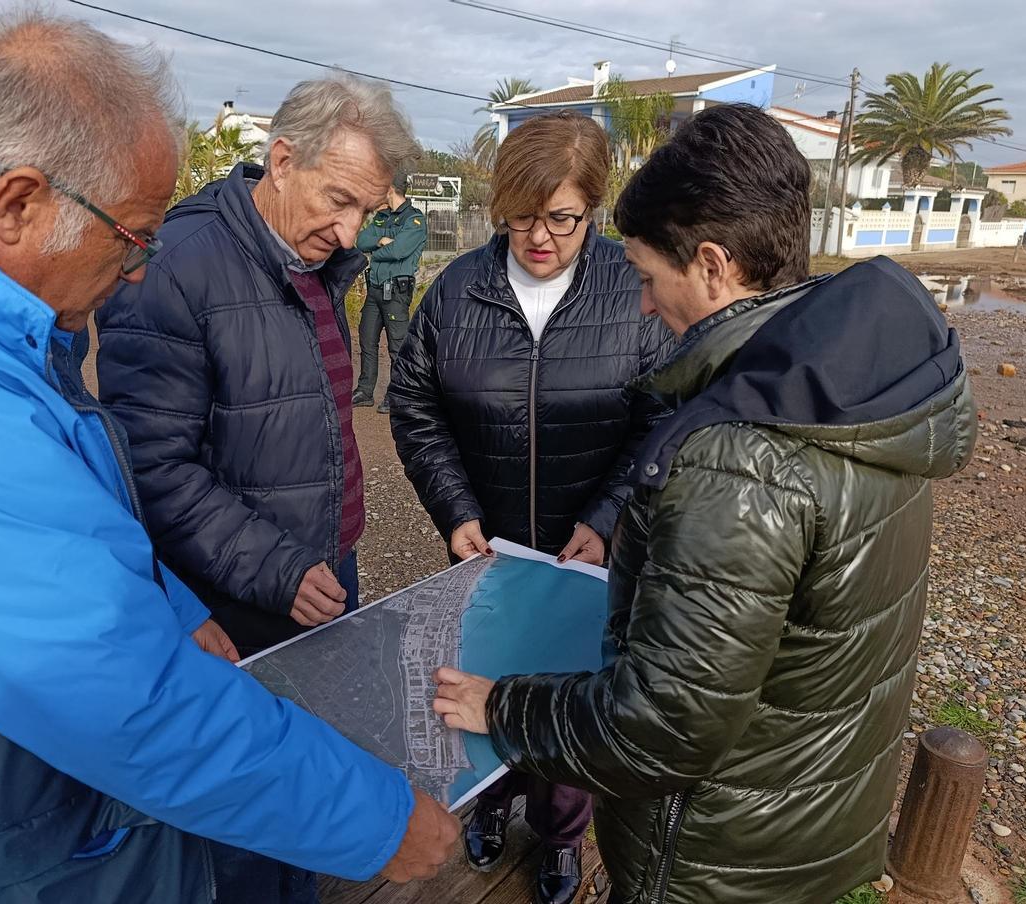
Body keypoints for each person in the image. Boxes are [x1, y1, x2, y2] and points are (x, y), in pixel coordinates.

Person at [0, 13, 459, 903]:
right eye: (133, 236)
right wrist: (374, 819)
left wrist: (165, 603)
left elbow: (70, 517)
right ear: (19, 203)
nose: (139, 269)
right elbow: (119, 694)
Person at [432, 103, 978, 904]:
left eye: (650, 279)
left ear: (715, 265)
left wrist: (503, 708)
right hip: (806, 816)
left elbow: (662, 726)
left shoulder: (734, 456)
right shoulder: (858, 390)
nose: (645, 306)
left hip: (714, 851)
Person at [388, 111, 674, 904]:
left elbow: (660, 420)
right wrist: (454, 511)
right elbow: (415, 408)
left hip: (589, 558)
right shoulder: (455, 291)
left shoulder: (632, 291)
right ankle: (488, 804)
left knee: (572, 694)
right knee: (478, 685)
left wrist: (611, 516)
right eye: (520, 216)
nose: (539, 237)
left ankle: (557, 840)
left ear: (595, 208)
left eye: (562, 218)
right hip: (485, 551)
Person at [96, 75, 421, 657]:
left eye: (367, 211)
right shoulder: (176, 269)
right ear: (283, 160)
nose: (351, 233)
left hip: (322, 571)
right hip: (232, 594)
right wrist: (276, 569)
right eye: (339, 200)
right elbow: (152, 466)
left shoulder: (317, 258)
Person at [352, 172, 427, 413]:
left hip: (395, 292)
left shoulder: (415, 220)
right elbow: (362, 240)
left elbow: (400, 251)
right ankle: (365, 390)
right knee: (367, 340)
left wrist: (380, 247)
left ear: (390, 189)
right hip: (374, 290)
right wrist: (382, 240)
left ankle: (396, 395)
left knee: (397, 346)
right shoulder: (382, 216)